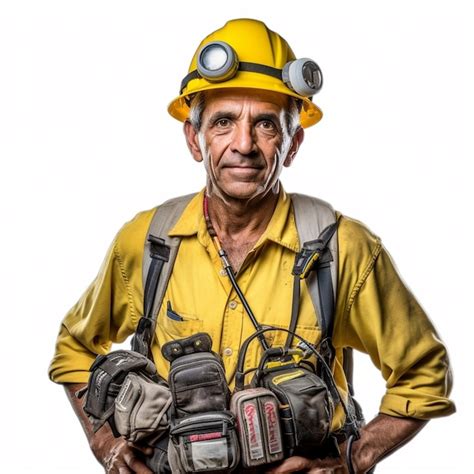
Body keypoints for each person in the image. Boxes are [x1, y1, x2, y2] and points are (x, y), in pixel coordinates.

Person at [49, 18, 455, 474]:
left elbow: (424, 374)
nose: (244, 144)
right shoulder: (148, 242)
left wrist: (353, 458)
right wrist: (105, 443)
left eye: (265, 124)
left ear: (293, 143)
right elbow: (74, 350)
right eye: (223, 121)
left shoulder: (342, 249)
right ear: (194, 139)